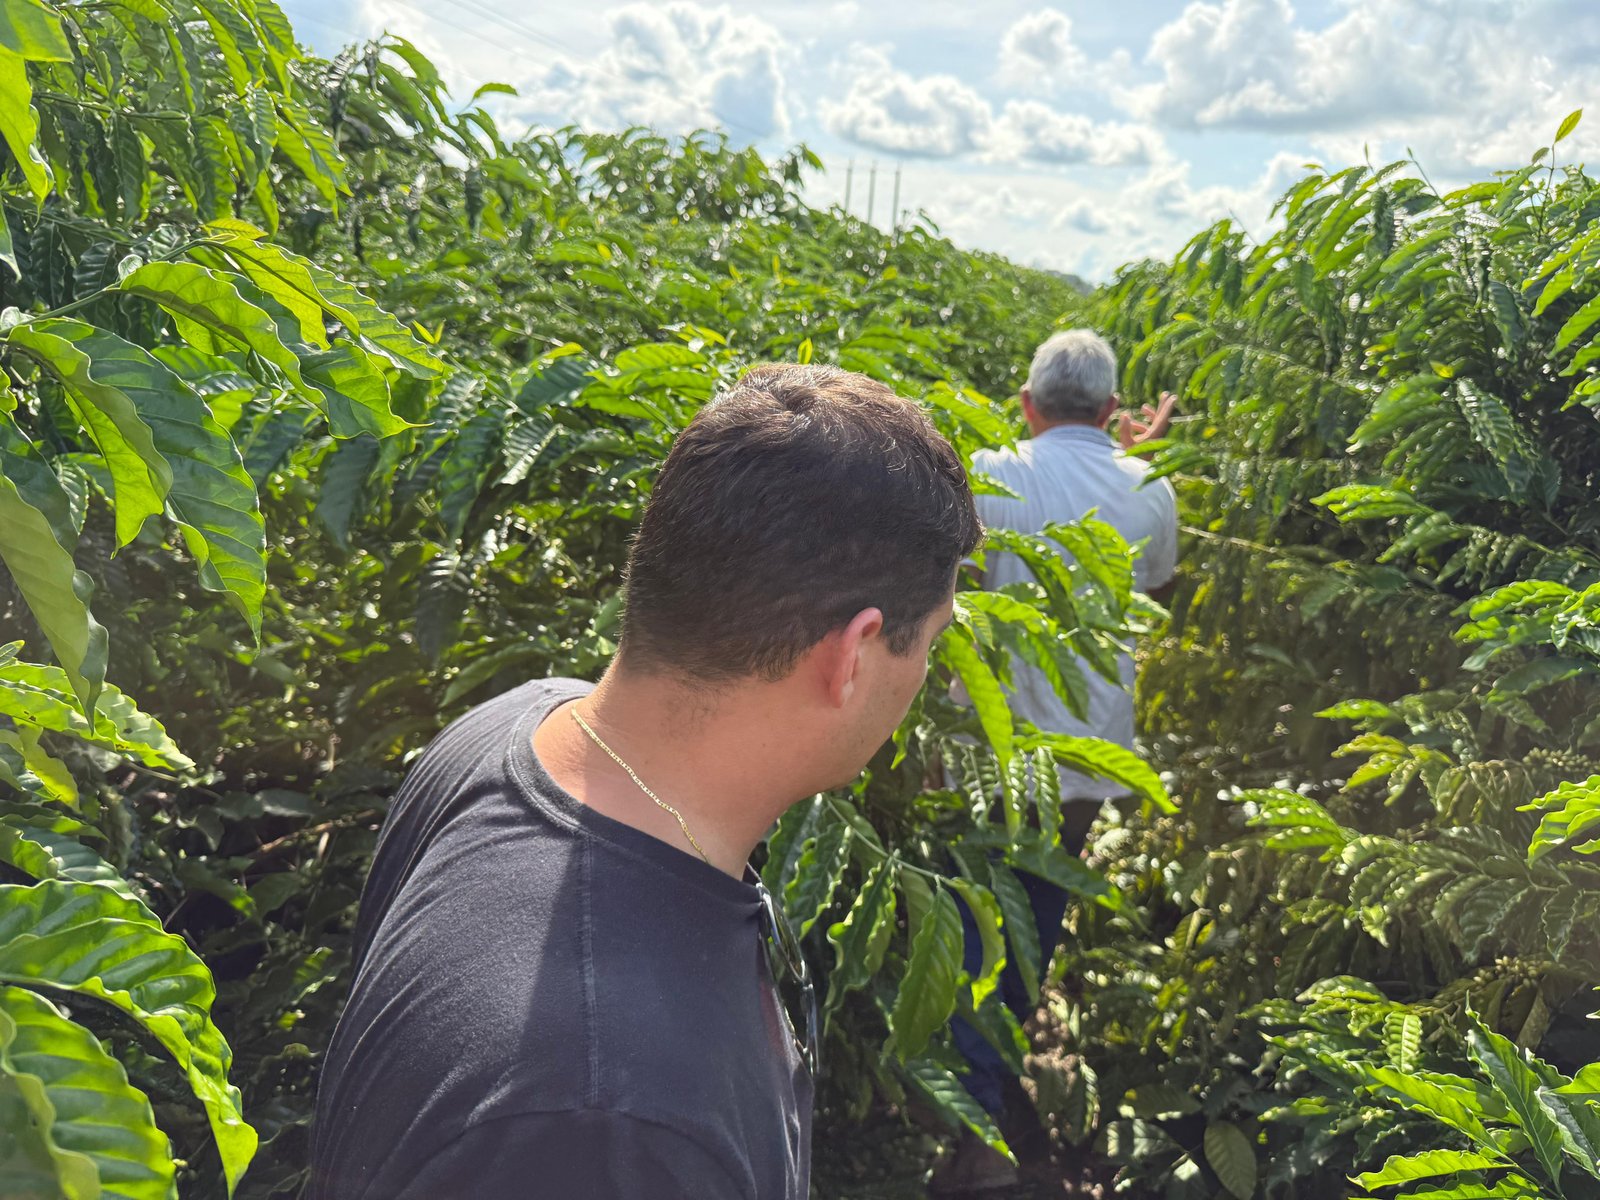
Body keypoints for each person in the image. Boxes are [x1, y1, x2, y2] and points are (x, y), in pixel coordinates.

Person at [309, 363, 982, 1200]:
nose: (925, 674)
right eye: (932, 642)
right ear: (853, 654)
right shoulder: (614, 1126)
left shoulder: (510, 728)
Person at [938, 329, 1178, 1192]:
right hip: (1084, 752)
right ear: (1113, 411)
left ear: (1026, 403)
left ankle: (977, 1114)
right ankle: (991, 1094)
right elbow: (1152, 586)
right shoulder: (1149, 484)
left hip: (991, 748)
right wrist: (1131, 466)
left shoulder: (990, 469)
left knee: (975, 919)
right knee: (1033, 918)